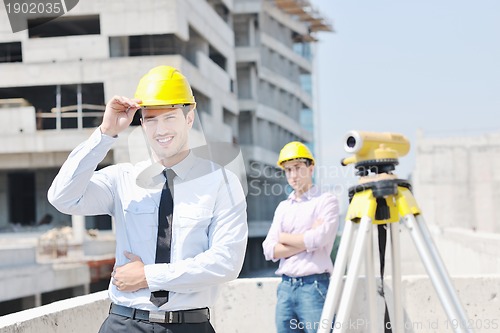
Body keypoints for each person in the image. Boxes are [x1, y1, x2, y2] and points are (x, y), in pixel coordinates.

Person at [48, 65, 248, 333]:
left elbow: (226, 262)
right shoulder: (122, 179)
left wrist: (148, 276)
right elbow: (62, 197)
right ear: (141, 123)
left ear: (189, 117)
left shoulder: (221, 183)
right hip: (124, 323)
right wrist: (105, 134)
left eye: (170, 117)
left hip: (189, 325)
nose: (160, 129)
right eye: (151, 119)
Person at [262, 141, 339, 333]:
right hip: (286, 288)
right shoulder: (283, 207)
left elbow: (319, 239)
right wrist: (306, 240)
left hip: (314, 286)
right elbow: (269, 249)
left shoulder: (326, 201)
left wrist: (285, 238)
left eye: (297, 168)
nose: (293, 175)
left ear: (311, 168)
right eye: (288, 170)